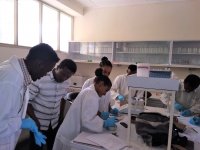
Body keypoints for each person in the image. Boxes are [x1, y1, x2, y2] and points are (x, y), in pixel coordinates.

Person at [0, 43, 60, 150]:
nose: (44, 75)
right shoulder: (11, 80)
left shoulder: (19, 75)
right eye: (46, 71)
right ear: (39, 64)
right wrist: (20, 123)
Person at [53, 72, 116, 150]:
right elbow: (87, 121)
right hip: (71, 133)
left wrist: (100, 115)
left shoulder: (90, 91)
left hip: (69, 129)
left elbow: (88, 112)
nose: (104, 93)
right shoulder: (91, 95)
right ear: (101, 84)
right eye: (106, 90)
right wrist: (104, 123)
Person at [27, 59, 77, 150]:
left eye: (68, 77)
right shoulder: (40, 78)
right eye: (63, 74)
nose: (64, 78)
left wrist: (61, 116)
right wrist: (35, 120)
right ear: (57, 67)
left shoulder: (66, 83)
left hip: (54, 123)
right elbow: (26, 101)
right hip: (38, 123)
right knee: (36, 148)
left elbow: (62, 98)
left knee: (53, 146)